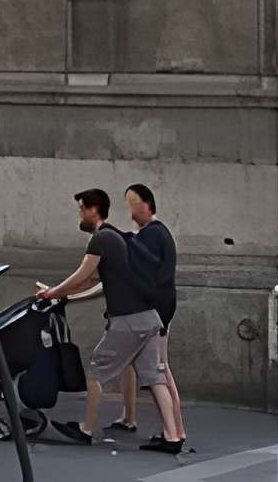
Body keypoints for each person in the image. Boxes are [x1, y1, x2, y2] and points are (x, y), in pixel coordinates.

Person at [37, 187, 186, 457]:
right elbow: (95, 281)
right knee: (155, 376)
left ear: (94, 210)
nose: (80, 215)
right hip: (150, 317)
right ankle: (172, 436)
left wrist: (53, 292)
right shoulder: (117, 237)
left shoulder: (100, 240)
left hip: (128, 319)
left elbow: (84, 275)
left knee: (96, 370)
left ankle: (87, 429)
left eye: (81, 209)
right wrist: (62, 293)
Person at [108, 185, 183, 441]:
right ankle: (173, 430)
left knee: (157, 373)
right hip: (159, 311)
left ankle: (172, 433)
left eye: (132, 204)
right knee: (159, 371)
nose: (130, 212)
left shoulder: (151, 236)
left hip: (152, 313)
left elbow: (140, 275)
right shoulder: (158, 234)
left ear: (146, 204)